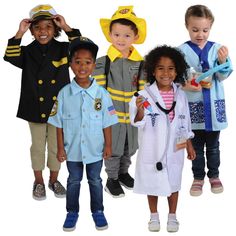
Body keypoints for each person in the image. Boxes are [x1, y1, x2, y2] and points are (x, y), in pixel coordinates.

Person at [3, 4, 81, 200]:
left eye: (48, 26)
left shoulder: (65, 49)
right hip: (34, 106)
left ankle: (54, 180)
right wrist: (19, 32)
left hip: (59, 108)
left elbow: (82, 49)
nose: (43, 31)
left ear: (56, 29)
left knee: (56, 147)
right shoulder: (27, 51)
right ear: (31, 30)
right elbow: (10, 56)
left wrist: (67, 27)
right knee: (37, 146)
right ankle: (38, 182)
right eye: (37, 27)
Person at [48, 36, 118, 231]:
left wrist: (109, 145)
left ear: (94, 65)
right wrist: (60, 148)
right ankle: (72, 212)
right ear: (70, 64)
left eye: (87, 62)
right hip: (72, 151)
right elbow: (58, 124)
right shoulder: (64, 94)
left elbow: (107, 123)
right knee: (73, 181)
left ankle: (98, 211)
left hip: (96, 149)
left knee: (95, 180)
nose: (82, 67)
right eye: (77, 62)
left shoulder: (102, 94)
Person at [129, 45, 196, 232]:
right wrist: (141, 109)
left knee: (174, 181)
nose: (166, 73)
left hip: (176, 146)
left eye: (171, 68)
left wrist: (189, 145)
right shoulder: (143, 95)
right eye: (160, 68)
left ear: (177, 71)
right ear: (152, 70)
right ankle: (154, 216)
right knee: (152, 182)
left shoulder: (181, 95)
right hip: (153, 147)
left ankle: (173, 216)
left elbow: (185, 122)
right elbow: (137, 122)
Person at [92, 5, 147, 198]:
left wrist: (144, 112)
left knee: (130, 147)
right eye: (116, 35)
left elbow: (143, 91)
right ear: (110, 35)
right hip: (111, 117)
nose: (121, 40)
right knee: (113, 148)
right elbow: (96, 93)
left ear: (135, 37)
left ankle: (123, 173)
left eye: (126, 35)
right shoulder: (102, 62)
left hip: (131, 117)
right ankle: (111, 179)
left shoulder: (141, 63)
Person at [179, 5, 233, 196]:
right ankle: (198, 177)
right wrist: (185, 84)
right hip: (193, 107)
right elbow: (176, 78)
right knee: (195, 146)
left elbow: (224, 74)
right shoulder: (181, 51)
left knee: (213, 146)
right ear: (187, 26)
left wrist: (222, 61)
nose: (200, 34)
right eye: (195, 30)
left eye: (205, 30)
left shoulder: (218, 49)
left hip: (212, 106)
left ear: (210, 27)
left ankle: (215, 175)